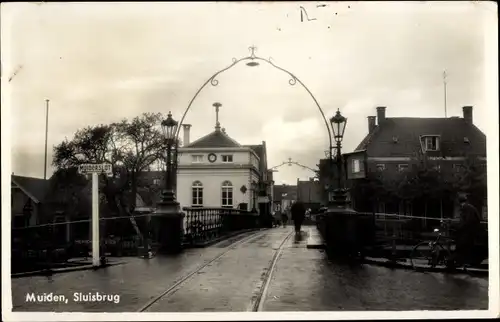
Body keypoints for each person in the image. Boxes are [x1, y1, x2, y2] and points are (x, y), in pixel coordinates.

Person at [449, 194, 482, 267]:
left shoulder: (466, 208)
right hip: (472, 230)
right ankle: (459, 261)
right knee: (461, 244)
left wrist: (457, 227)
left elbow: (466, 221)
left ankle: (455, 261)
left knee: (460, 244)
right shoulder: (469, 207)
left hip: (470, 231)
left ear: (459, 202)